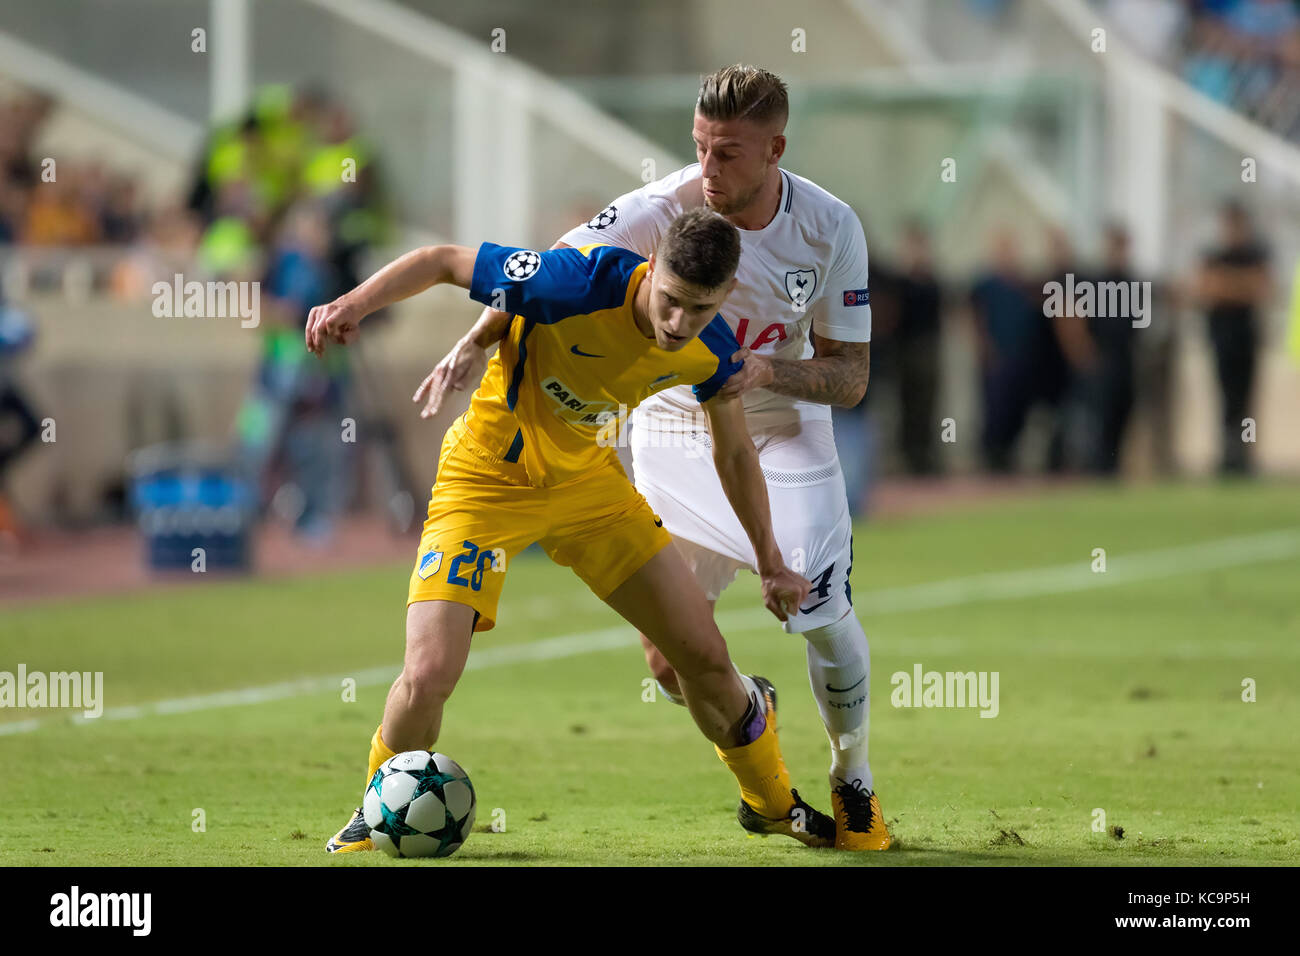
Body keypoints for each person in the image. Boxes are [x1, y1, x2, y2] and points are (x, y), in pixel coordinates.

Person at [417, 65, 889, 850]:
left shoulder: (832, 229)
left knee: (821, 615)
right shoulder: (657, 211)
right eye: (701, 147)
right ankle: (751, 712)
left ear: (776, 148)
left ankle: (854, 778)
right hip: (674, 422)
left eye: (729, 153)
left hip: (780, 423)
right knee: (673, 662)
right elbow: (531, 276)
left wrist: (765, 369)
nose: (708, 169)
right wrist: (471, 344)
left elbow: (851, 378)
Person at [310, 208, 836, 853]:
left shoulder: (714, 351)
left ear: (724, 298)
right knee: (429, 672)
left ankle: (774, 804)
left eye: (699, 310)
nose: (678, 324)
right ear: (653, 270)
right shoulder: (576, 283)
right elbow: (445, 261)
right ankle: (374, 815)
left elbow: (734, 455)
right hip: (483, 482)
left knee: (699, 657)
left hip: (589, 488)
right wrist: (353, 305)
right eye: (670, 300)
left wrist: (772, 561)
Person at [1195, 200, 1271, 475]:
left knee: (1245, 401)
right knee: (1225, 400)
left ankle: (1244, 457)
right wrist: (1240, 284)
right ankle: (1227, 456)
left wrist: (1226, 283)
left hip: (1246, 339)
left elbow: (1261, 288)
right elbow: (1206, 288)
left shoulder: (1256, 253)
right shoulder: (1213, 255)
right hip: (1221, 339)